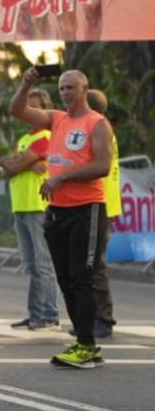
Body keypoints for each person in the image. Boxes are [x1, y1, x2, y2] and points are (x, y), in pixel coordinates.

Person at [10, 68, 113, 368]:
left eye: (71, 88)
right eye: (62, 88)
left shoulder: (97, 123)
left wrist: (61, 178)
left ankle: (87, 345)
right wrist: (27, 81)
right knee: (66, 279)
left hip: (87, 208)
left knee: (83, 276)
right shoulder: (57, 119)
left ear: (84, 89)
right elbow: (17, 110)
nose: (65, 93)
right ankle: (82, 340)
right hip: (57, 211)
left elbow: (103, 165)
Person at [0, 88, 60, 330]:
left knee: (43, 262)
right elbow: (7, 169)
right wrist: (19, 163)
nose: (31, 112)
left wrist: (16, 162)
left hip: (37, 205)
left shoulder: (46, 134)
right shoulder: (25, 139)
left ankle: (50, 313)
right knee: (31, 263)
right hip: (20, 204)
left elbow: (13, 164)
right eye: (28, 108)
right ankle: (35, 313)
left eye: (35, 107)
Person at [86, 88, 119, 340]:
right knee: (88, 264)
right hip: (97, 202)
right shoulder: (99, 126)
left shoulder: (98, 127)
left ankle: (103, 319)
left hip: (99, 201)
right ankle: (91, 318)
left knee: (95, 264)